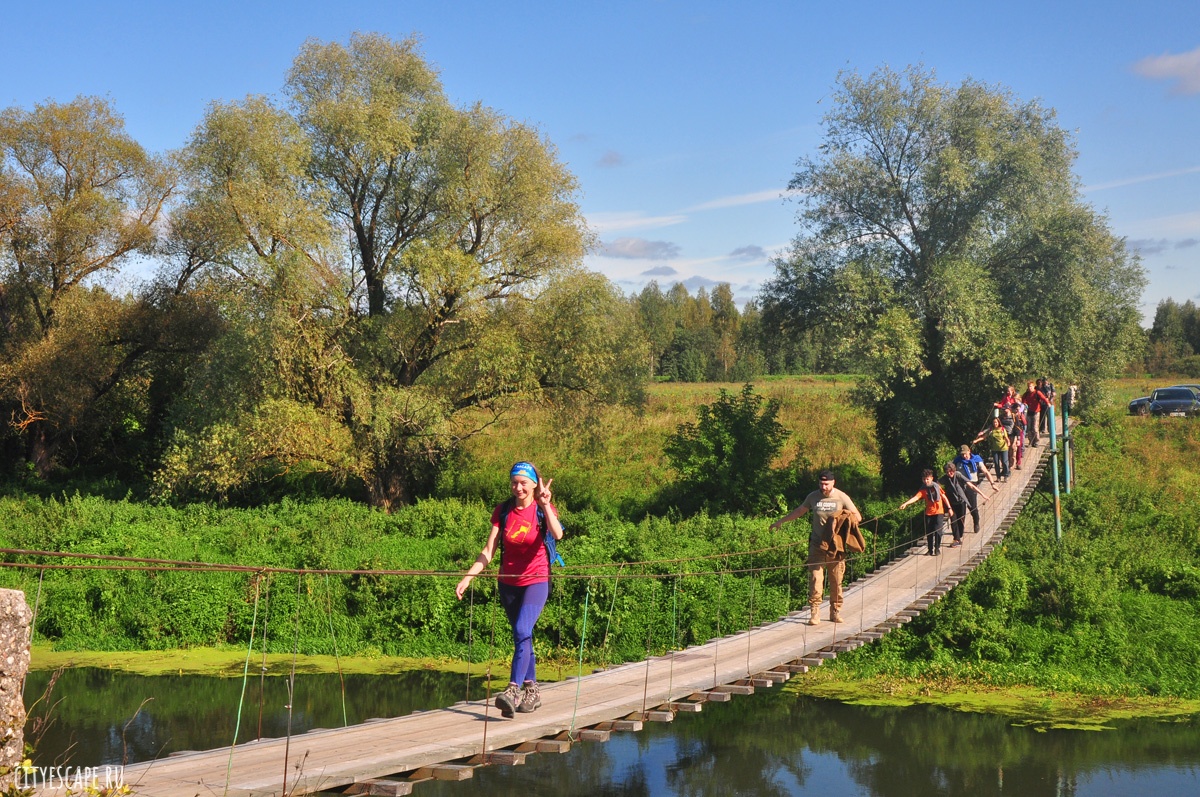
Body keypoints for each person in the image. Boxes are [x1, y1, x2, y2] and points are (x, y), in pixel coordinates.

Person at [456, 461, 563, 718]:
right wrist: (468, 577)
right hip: (508, 584)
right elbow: (489, 550)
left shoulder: (541, 509)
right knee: (522, 637)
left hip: (536, 580)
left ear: (534, 484)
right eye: (514, 482)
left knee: (522, 630)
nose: (518, 488)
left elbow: (557, 534)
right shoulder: (503, 511)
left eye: (523, 483)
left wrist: (546, 505)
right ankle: (532, 691)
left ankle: (513, 690)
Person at [769, 470, 862, 625]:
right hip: (817, 544)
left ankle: (835, 611)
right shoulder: (813, 496)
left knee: (836, 580)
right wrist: (781, 521)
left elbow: (857, 517)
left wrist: (842, 518)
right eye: (820, 483)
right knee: (815, 578)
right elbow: (800, 510)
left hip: (836, 546)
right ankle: (815, 612)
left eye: (826, 484)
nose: (823, 487)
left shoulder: (841, 497)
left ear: (833, 482)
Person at [899, 469, 953, 556]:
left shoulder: (937, 487)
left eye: (927, 479)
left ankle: (937, 548)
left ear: (931, 478)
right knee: (929, 532)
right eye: (924, 479)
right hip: (929, 513)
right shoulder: (923, 490)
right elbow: (916, 498)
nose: (926, 481)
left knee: (938, 531)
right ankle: (930, 550)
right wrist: (906, 504)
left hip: (939, 512)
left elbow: (944, 497)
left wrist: (949, 508)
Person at [941, 462, 989, 547]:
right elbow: (936, 485)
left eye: (950, 472)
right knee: (953, 520)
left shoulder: (958, 475)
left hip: (961, 502)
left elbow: (971, 486)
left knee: (961, 520)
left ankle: (959, 536)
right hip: (951, 503)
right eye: (947, 472)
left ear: (953, 470)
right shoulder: (945, 478)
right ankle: (956, 539)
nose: (949, 474)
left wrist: (983, 494)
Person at [954, 444, 999, 533]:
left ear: (969, 451)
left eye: (965, 454)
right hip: (960, 485)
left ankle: (976, 522)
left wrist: (992, 484)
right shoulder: (957, 461)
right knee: (961, 508)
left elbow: (986, 472)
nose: (964, 456)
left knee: (972, 506)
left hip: (972, 485)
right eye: (962, 454)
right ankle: (960, 530)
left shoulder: (976, 460)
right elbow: (951, 471)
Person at [974, 417, 1011, 481]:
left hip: (1003, 448)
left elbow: (1006, 438)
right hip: (995, 449)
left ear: (998, 422)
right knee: (996, 463)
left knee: (1004, 462)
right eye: (994, 422)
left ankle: (1006, 475)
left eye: (996, 422)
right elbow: (984, 437)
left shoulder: (1002, 429)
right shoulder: (991, 430)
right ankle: (998, 477)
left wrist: (1008, 443)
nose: (995, 423)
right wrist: (977, 440)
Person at [1022, 380, 1051, 447]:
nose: (1030, 388)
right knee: (1029, 428)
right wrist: (1024, 405)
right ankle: (1030, 441)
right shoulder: (1026, 394)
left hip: (1036, 412)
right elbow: (1023, 401)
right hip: (1029, 412)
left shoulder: (1037, 393)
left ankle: (1036, 441)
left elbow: (1044, 398)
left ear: (1033, 387)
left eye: (1031, 386)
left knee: (1035, 428)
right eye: (1029, 387)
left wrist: (1048, 403)